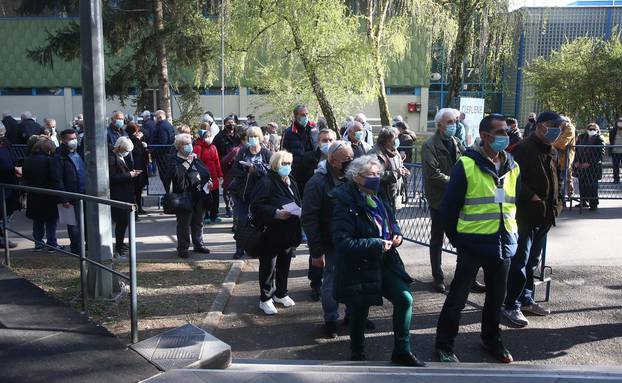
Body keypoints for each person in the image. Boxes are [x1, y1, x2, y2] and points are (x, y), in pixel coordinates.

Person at [435, 114, 519, 364]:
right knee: (457, 299)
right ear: (485, 136)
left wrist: (512, 235)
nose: (506, 136)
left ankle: (492, 340)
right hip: (472, 245)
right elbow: (448, 209)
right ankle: (444, 346)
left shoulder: (512, 166)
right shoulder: (467, 164)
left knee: (496, 299)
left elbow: (514, 205)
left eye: (507, 131)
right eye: (501, 132)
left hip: (503, 244)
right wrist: (458, 241)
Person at [332, 155, 425, 367]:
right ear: (357, 177)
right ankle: (357, 352)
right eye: (372, 174)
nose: (377, 178)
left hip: (386, 261)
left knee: (405, 299)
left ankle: (402, 351)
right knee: (359, 309)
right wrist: (375, 243)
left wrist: (397, 234)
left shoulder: (378, 195)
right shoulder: (344, 201)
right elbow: (342, 243)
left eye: (378, 174)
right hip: (359, 265)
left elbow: (391, 221)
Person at [502, 111, 564, 328]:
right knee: (520, 260)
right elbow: (513, 180)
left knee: (533, 261)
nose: (556, 129)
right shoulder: (522, 149)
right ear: (538, 126)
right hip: (526, 214)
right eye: (551, 124)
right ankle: (511, 305)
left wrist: (558, 202)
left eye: (558, 125)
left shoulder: (553, 150)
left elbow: (556, 177)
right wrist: (532, 196)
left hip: (546, 214)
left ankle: (527, 299)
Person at [302, 141, 354, 337]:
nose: (351, 162)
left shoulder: (352, 177)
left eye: (352, 158)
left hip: (351, 240)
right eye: (346, 160)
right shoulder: (317, 183)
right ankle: (330, 320)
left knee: (352, 279)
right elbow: (309, 219)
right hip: (331, 243)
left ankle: (352, 316)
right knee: (331, 282)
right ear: (332, 161)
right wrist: (316, 252)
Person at [251, 151, 302, 315]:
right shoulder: (266, 181)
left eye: (289, 163)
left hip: (289, 231)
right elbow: (256, 207)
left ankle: (281, 293)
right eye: (284, 164)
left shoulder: (291, 180)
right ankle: (265, 298)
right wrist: (276, 213)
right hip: (271, 232)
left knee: (284, 264)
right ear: (275, 164)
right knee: (268, 266)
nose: (287, 167)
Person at [422, 108, 466, 293]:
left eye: (455, 122)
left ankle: (466, 277)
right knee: (437, 239)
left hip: (457, 199)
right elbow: (432, 174)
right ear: (439, 125)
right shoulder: (429, 145)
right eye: (449, 122)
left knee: (463, 239)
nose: (453, 125)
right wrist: (455, 182)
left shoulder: (456, 141)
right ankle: (437, 277)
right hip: (439, 200)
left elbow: (466, 162)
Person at [164, 134, 212, 258]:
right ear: (179, 147)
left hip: (199, 194)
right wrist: (188, 162)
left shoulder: (195, 158)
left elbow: (205, 171)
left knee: (198, 222)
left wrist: (209, 181)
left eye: (190, 143)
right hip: (183, 196)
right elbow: (177, 176)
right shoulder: (174, 159)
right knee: (184, 224)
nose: (189, 146)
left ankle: (198, 244)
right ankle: (183, 247)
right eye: (186, 144)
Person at [229, 126, 272, 259]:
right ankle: (239, 249)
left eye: (255, 137)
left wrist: (258, 170)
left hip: (260, 195)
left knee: (260, 222)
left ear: (260, 138)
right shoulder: (242, 152)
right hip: (243, 193)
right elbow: (234, 171)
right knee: (241, 221)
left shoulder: (266, 153)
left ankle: (258, 248)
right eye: (250, 137)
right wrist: (247, 171)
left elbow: (271, 172)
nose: (253, 139)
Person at [52, 129, 86, 256]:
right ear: (63, 141)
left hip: (83, 193)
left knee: (85, 224)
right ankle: (77, 250)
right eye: (70, 139)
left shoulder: (78, 153)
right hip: (70, 196)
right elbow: (57, 179)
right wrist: (64, 198)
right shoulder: (59, 157)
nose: (74, 141)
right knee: (74, 226)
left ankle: (84, 248)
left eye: (74, 138)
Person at [23, 138, 59, 252]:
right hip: (48, 194)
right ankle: (52, 243)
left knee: (37, 220)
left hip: (34, 194)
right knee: (51, 221)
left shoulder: (28, 159)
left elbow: (25, 177)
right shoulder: (50, 160)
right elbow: (54, 178)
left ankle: (38, 243)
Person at [108, 137, 141, 258]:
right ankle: (119, 247)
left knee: (124, 222)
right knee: (121, 222)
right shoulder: (112, 158)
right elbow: (112, 178)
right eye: (126, 150)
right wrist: (129, 175)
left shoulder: (119, 156)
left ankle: (120, 244)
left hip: (125, 193)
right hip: (119, 194)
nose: (127, 153)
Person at [370, 127, 410, 213]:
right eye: (395, 138)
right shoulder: (374, 153)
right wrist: (395, 174)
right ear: (387, 140)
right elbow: (375, 175)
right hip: (381, 197)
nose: (397, 140)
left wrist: (403, 169)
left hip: (393, 195)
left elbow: (399, 164)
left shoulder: (394, 150)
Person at [281, 105, 316, 189]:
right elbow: (283, 154)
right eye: (302, 115)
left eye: (307, 114)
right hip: (296, 173)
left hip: (312, 171)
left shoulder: (314, 130)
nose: (305, 117)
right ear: (296, 116)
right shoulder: (288, 133)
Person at [194, 128, 224, 224]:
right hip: (204, 176)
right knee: (206, 196)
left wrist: (220, 174)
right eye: (206, 137)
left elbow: (217, 161)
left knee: (215, 196)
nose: (208, 139)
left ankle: (214, 215)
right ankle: (206, 215)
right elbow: (197, 162)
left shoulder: (213, 147)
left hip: (214, 175)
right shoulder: (198, 147)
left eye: (210, 136)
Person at [214, 115, 241, 217]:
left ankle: (235, 206)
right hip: (225, 165)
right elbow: (215, 150)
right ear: (225, 124)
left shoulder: (238, 135)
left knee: (237, 186)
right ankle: (228, 206)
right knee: (227, 186)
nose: (231, 124)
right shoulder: (219, 136)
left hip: (237, 164)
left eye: (232, 122)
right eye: (228, 123)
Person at [574, 123, 605, 210]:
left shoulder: (599, 139)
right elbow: (576, 150)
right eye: (590, 129)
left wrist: (590, 163)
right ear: (587, 129)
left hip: (593, 166)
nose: (591, 130)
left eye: (594, 129)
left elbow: (600, 154)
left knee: (592, 186)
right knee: (582, 184)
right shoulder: (581, 137)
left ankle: (593, 203)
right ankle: (583, 201)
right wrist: (576, 161)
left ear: (597, 130)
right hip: (581, 165)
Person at [0, 123, 19, 249]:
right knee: (3, 213)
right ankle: (2, 239)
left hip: (9, 183)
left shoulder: (5, 142)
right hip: (3, 182)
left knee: (7, 213)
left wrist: (15, 168)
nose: (2, 134)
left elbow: (12, 158)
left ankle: (3, 238)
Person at [125, 123, 149, 215]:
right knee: (136, 190)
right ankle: (136, 209)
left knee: (138, 190)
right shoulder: (132, 140)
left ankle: (138, 208)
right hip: (136, 167)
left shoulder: (133, 139)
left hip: (138, 167)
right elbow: (138, 152)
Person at [553, 117, 576, 197]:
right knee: (564, 178)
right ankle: (566, 196)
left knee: (564, 178)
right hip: (560, 157)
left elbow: (562, 143)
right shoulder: (562, 128)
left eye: (560, 123)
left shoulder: (569, 128)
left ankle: (565, 198)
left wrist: (551, 144)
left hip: (565, 157)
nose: (558, 125)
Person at [609, 117, 622, 184]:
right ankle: (616, 179)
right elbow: (611, 140)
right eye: (619, 122)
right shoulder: (613, 130)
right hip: (615, 151)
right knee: (615, 166)